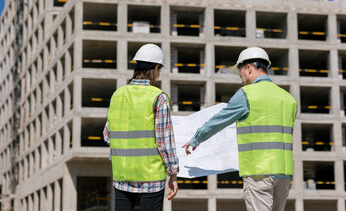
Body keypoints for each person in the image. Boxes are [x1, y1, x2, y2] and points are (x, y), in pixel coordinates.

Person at [182, 47, 297, 211]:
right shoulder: (288, 99)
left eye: (241, 72)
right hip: (284, 174)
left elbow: (219, 120)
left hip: (259, 172)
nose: (241, 79)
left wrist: (196, 139)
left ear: (249, 68)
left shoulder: (247, 94)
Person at [103, 44, 179, 211]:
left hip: (122, 174)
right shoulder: (158, 97)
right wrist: (173, 173)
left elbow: (107, 135)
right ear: (156, 68)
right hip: (151, 176)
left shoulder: (118, 95)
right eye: (159, 69)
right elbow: (164, 141)